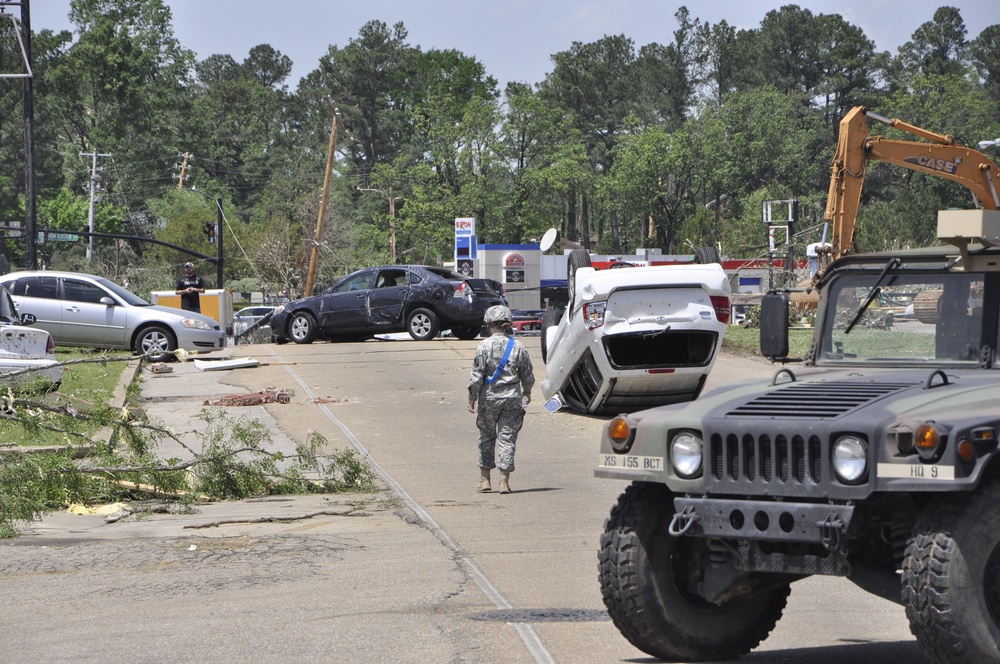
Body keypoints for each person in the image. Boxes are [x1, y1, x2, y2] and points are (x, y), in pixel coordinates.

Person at [468, 305, 535, 494]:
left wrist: (472, 398)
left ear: (490, 324)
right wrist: (527, 392)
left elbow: (476, 375)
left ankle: (484, 480)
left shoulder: (484, 346)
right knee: (507, 438)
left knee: (486, 437)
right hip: (512, 399)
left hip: (489, 399)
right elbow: (527, 375)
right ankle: (504, 482)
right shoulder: (518, 346)